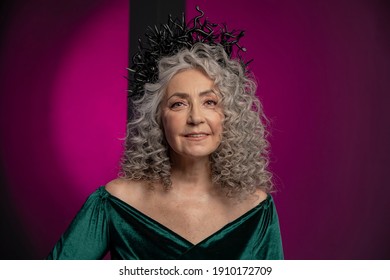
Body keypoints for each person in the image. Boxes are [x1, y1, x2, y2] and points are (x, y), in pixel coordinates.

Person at [46, 8, 283, 260]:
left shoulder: (257, 208)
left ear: (229, 116)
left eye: (210, 102)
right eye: (178, 104)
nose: (195, 118)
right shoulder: (115, 201)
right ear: (158, 119)